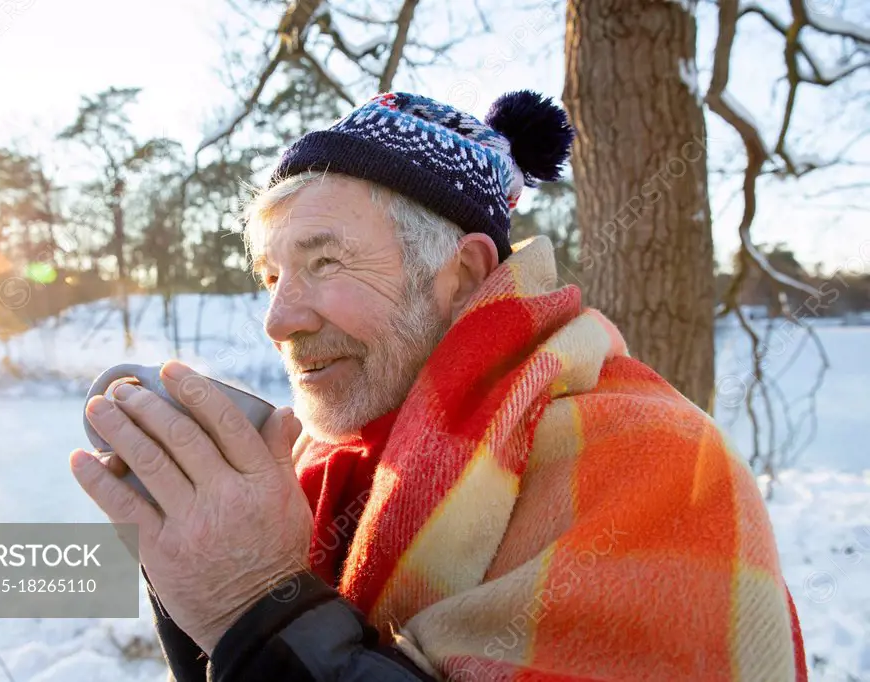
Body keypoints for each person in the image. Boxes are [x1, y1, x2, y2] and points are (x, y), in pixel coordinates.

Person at [71, 90, 808, 681]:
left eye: (324, 263)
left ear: (460, 277)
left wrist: (257, 605)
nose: (278, 318)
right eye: (271, 275)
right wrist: (199, 583)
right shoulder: (323, 475)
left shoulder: (659, 466)